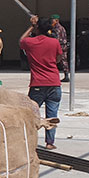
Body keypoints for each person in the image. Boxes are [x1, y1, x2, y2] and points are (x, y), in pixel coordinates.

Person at [20, 14, 62, 150]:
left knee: (30, 113)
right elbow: (59, 58)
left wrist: (31, 27)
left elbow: (21, 40)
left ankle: (29, 139)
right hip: (54, 83)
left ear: (37, 28)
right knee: (52, 114)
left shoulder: (31, 43)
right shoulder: (54, 42)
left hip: (37, 84)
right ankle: (50, 142)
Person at [47, 14, 70, 82]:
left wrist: (49, 34)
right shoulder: (58, 27)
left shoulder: (58, 28)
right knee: (63, 61)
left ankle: (64, 76)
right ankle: (65, 76)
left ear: (57, 20)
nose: (51, 21)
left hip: (60, 46)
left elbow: (56, 37)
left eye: (52, 20)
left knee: (59, 61)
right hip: (62, 45)